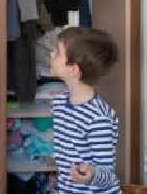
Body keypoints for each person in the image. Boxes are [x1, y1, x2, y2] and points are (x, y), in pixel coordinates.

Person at [50, 27, 121, 193]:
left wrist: (91, 175)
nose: (51, 54)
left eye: (58, 53)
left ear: (73, 70)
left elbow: (107, 175)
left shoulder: (98, 119)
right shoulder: (59, 103)